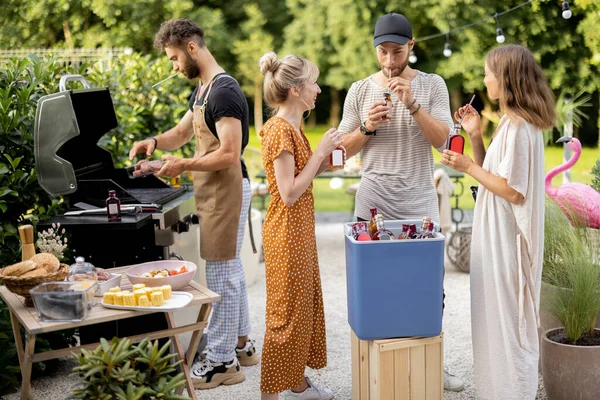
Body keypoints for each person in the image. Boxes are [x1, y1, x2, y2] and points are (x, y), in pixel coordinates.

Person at [337, 12, 464, 391]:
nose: (390, 61)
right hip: (373, 200)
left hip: (419, 201)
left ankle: (431, 363)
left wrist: (413, 107)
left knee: (428, 287)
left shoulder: (433, 85)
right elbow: (339, 152)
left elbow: (445, 140)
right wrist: (366, 127)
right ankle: (378, 365)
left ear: (411, 47)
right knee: (374, 285)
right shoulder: (360, 90)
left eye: (397, 51)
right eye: (383, 52)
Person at [128, 18, 258, 390]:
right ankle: (241, 345)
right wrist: (154, 143)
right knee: (229, 273)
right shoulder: (203, 89)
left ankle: (221, 362)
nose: (173, 66)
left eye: (173, 59)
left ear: (191, 49)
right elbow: (184, 133)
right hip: (214, 191)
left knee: (222, 277)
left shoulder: (224, 93)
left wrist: (182, 164)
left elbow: (230, 154)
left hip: (227, 189)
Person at [442, 44, 554, 399]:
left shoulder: (520, 127)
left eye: (489, 72)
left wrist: (467, 167)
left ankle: (513, 392)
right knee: (495, 319)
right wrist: (475, 135)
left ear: (505, 78)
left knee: (509, 323)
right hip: (495, 237)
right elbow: (492, 175)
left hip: (507, 241)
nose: (485, 78)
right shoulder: (508, 123)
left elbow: (514, 191)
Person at [258, 51, 341, 400]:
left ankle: (297, 383)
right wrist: (320, 154)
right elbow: (289, 193)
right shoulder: (279, 130)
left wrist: (326, 162)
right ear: (295, 89)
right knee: (285, 315)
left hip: (298, 232)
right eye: (313, 82)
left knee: (301, 306)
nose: (319, 89)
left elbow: (298, 179)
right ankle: (270, 395)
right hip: (285, 232)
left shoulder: (293, 127)